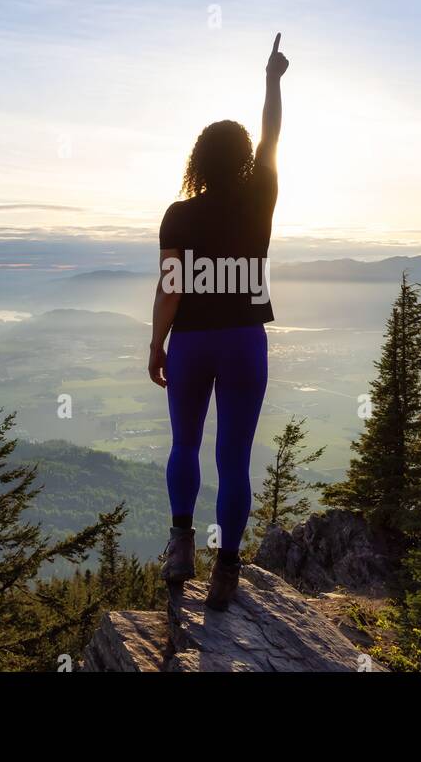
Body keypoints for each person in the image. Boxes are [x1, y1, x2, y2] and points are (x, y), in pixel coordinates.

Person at [148, 33, 289, 610]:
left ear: (198, 162)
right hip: (243, 343)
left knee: (185, 443)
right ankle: (227, 570)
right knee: (234, 458)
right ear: (246, 160)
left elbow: (170, 288)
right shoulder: (261, 196)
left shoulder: (179, 215)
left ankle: (182, 546)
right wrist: (273, 81)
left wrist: (157, 342)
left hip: (191, 343)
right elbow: (273, 137)